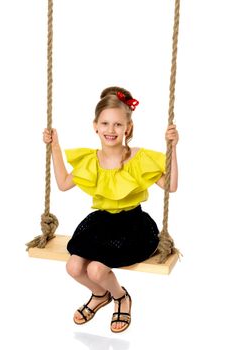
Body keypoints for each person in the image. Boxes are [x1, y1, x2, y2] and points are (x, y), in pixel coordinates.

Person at [43, 86, 179, 333]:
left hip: (133, 227)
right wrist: (54, 147)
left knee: (96, 269)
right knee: (73, 267)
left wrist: (173, 148)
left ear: (128, 127)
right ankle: (99, 295)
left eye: (118, 124)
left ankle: (120, 297)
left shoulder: (139, 158)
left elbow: (170, 186)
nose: (111, 130)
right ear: (95, 125)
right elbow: (63, 184)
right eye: (105, 123)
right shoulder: (91, 160)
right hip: (100, 225)